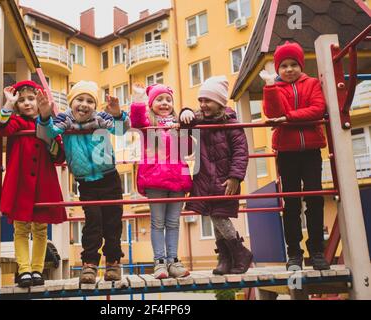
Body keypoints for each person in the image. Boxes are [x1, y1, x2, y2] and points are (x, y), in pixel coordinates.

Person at [36, 80, 130, 283]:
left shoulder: (101, 118)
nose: (84, 104)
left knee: (113, 222)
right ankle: (89, 264)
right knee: (93, 221)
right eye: (80, 99)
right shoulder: (64, 120)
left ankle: (113, 262)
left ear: (95, 106)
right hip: (86, 181)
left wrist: (117, 114)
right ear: (71, 103)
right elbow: (46, 134)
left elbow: (121, 131)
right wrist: (44, 116)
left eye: (90, 101)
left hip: (109, 176)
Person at [259, 41, 330, 270]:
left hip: (311, 151)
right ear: (278, 69)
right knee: (290, 203)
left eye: (293, 65)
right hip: (287, 153)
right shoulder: (275, 87)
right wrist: (269, 86)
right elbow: (272, 112)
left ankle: (317, 251)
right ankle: (294, 254)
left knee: (315, 200)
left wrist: (288, 118)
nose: (289, 70)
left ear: (301, 65)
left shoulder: (312, 84)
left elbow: (317, 109)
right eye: (284, 66)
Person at [0, 80, 68, 287]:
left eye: (31, 98)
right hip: (21, 184)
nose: (27, 103)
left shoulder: (50, 125)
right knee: (21, 229)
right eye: (22, 100)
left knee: (41, 229)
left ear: (40, 100)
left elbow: (59, 155)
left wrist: (45, 121)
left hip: (43, 185)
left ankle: (37, 269)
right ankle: (24, 270)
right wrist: (8, 104)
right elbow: (0, 127)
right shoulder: (17, 123)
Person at [180, 76, 253, 275]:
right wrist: (185, 113)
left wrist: (235, 177)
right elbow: (184, 133)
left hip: (225, 179)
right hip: (205, 178)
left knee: (219, 216)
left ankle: (240, 253)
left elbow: (240, 151)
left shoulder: (231, 123)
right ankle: (226, 257)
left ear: (220, 102)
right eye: (200, 100)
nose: (203, 105)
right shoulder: (199, 120)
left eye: (208, 101)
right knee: (213, 215)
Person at [130, 83, 192, 279]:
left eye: (168, 100)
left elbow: (188, 149)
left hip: (177, 180)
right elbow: (136, 119)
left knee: (173, 222)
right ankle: (159, 262)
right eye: (159, 99)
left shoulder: (177, 123)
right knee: (157, 222)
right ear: (151, 103)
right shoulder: (148, 123)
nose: (164, 103)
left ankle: (173, 261)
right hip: (155, 179)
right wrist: (138, 100)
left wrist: (184, 129)